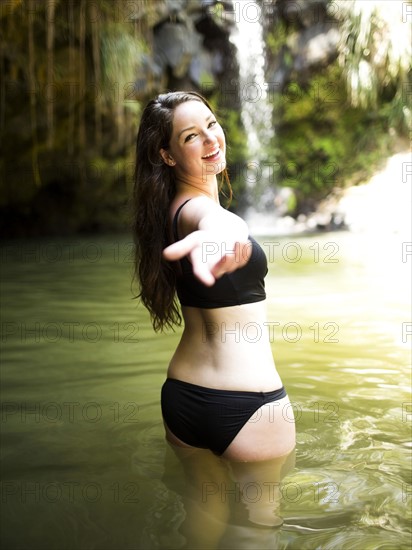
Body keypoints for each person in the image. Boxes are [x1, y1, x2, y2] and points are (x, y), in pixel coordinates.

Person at [132, 90, 295, 463]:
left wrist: (219, 234)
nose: (210, 139)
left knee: (199, 520)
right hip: (250, 405)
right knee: (259, 524)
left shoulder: (172, 211)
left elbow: (212, 223)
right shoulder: (201, 212)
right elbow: (218, 223)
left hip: (184, 398)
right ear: (167, 155)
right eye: (191, 136)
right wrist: (228, 233)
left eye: (211, 124)